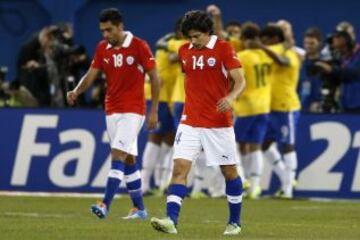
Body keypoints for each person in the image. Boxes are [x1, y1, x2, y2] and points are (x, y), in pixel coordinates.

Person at [150, 10, 246, 235]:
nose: (193, 41)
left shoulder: (224, 48)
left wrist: (231, 97)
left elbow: (240, 80)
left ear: (207, 32)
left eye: (196, 36)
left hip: (218, 123)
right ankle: (171, 221)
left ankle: (235, 222)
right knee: (180, 168)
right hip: (190, 120)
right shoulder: (184, 51)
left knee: (229, 172)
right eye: (189, 37)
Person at [66, 8, 160, 219]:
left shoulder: (139, 46)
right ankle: (139, 209)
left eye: (109, 30)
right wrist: (76, 91)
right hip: (111, 110)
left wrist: (154, 110)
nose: (106, 35)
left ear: (120, 26)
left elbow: (155, 78)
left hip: (133, 111)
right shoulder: (102, 48)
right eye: (102, 31)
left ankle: (104, 204)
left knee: (117, 155)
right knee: (128, 160)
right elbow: (91, 75)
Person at [260, 25, 302, 198]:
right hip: (271, 107)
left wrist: (261, 47)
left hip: (287, 107)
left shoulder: (290, 54)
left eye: (265, 40)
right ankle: (287, 179)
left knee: (288, 144)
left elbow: (282, 62)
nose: (263, 43)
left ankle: (287, 190)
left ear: (275, 39)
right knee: (264, 144)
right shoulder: (276, 51)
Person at [233, 22, 273, 199]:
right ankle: (255, 187)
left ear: (244, 38)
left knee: (231, 143)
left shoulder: (242, 56)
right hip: (264, 106)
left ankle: (241, 178)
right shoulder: (267, 54)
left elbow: (235, 79)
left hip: (246, 107)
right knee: (255, 146)